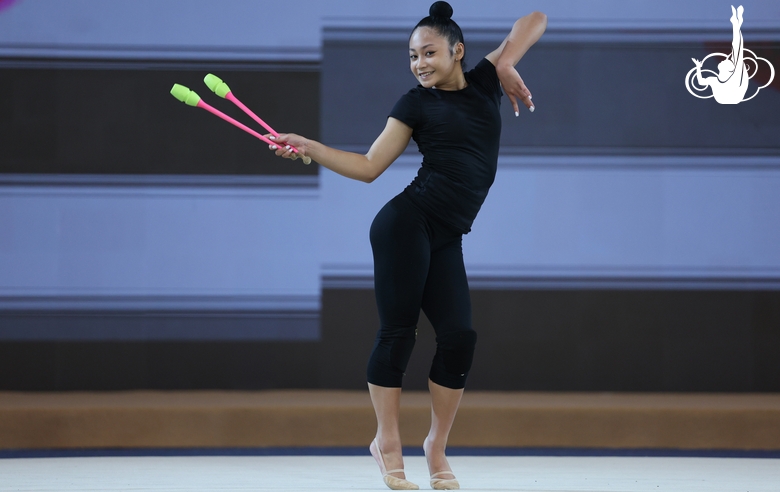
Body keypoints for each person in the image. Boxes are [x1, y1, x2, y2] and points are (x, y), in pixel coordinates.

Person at [269, 2, 546, 489]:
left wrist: (505, 61)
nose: (419, 63)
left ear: (458, 51)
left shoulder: (484, 79)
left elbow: (536, 19)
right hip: (405, 224)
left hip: (447, 236)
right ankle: (387, 442)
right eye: (412, 55)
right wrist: (309, 147)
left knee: (459, 339)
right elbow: (369, 166)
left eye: (429, 52)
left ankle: (436, 445)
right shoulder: (415, 104)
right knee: (399, 334)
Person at [692, 5, 748, 104]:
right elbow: (701, 82)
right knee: (738, 53)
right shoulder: (719, 80)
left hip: (731, 96)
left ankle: (736, 24)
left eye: (725, 61)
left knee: (737, 52)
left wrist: (698, 67)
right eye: (727, 61)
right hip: (730, 96)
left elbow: (737, 48)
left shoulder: (724, 79)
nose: (725, 59)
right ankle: (736, 24)